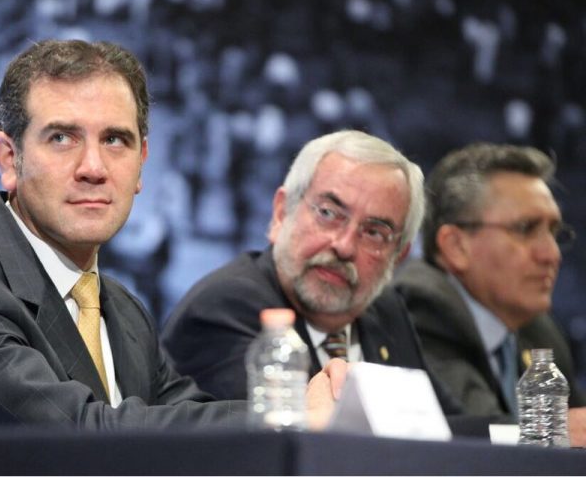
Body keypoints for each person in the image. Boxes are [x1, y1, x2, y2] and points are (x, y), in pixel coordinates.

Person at [0, 40, 339, 433]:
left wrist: (335, 402)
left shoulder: (122, 310)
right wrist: (292, 415)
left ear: (141, 164)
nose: (93, 168)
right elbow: (81, 439)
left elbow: (186, 424)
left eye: (115, 140)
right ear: (9, 159)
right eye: (62, 138)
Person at [162, 130, 462, 417]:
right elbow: (275, 440)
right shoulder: (226, 307)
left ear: (397, 258)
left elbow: (447, 429)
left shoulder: (385, 311)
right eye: (328, 213)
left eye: (373, 232)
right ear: (281, 213)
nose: (344, 246)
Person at [392, 142, 586, 445]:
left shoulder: (540, 332)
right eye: (526, 229)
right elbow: (473, 439)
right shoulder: (422, 308)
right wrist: (557, 429)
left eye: (554, 232)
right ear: (456, 246)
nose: (551, 254)